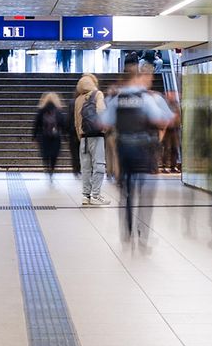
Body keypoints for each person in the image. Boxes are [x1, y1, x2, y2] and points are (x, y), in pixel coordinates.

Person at [105, 63, 175, 243]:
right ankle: (141, 233)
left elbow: (105, 121)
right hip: (145, 149)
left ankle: (129, 231)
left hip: (126, 148)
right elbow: (165, 119)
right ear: (138, 78)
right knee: (144, 194)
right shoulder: (150, 98)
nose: (149, 80)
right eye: (147, 77)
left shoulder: (119, 96)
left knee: (128, 192)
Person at [74, 74, 109, 205]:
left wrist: (80, 136)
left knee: (86, 167)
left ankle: (85, 196)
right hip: (97, 135)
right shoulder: (98, 94)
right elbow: (101, 111)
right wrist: (104, 127)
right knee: (99, 164)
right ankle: (95, 195)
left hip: (84, 138)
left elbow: (76, 121)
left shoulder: (78, 99)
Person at [33, 91, 67, 182]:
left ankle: (47, 168)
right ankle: (52, 169)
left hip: (44, 136)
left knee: (45, 154)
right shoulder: (58, 111)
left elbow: (36, 124)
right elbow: (63, 124)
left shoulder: (41, 111)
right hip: (56, 137)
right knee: (54, 155)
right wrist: (65, 136)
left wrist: (34, 136)